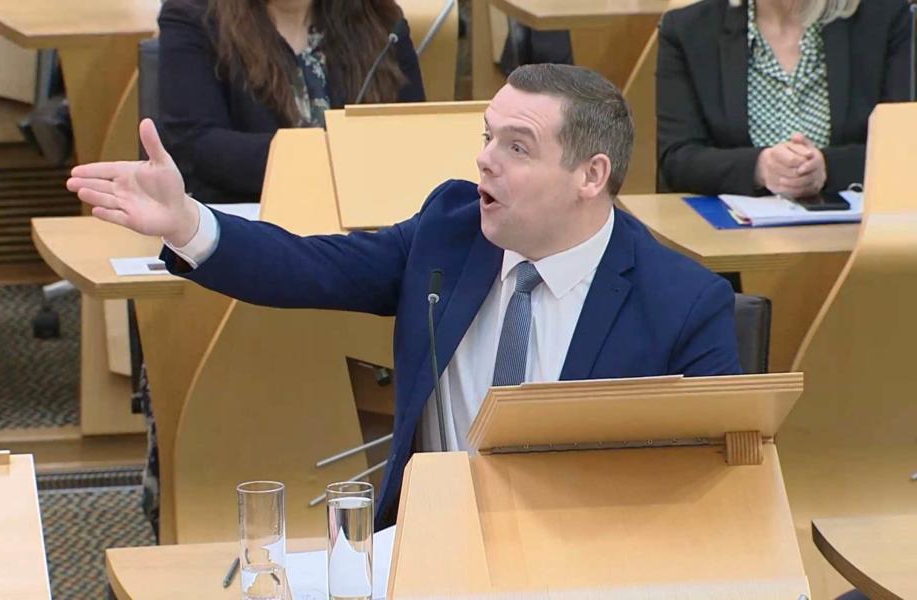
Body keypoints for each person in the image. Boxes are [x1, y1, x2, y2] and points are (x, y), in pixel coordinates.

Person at [67, 64, 741, 528]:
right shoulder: (451, 232)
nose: (484, 160)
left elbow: (704, 495)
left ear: (591, 176)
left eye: (517, 147)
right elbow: (310, 267)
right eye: (487, 137)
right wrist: (188, 222)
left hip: (585, 568)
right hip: (427, 551)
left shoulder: (683, 303)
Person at [159, 0, 426, 204]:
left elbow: (415, 134)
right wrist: (322, 156)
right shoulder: (193, 15)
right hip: (248, 230)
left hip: (367, 230)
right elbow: (195, 142)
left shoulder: (378, 16)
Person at [656, 0, 910, 196]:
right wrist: (760, 168)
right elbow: (677, 158)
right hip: (729, 244)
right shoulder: (688, 31)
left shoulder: (888, 19)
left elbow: (905, 149)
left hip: (856, 240)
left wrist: (827, 168)